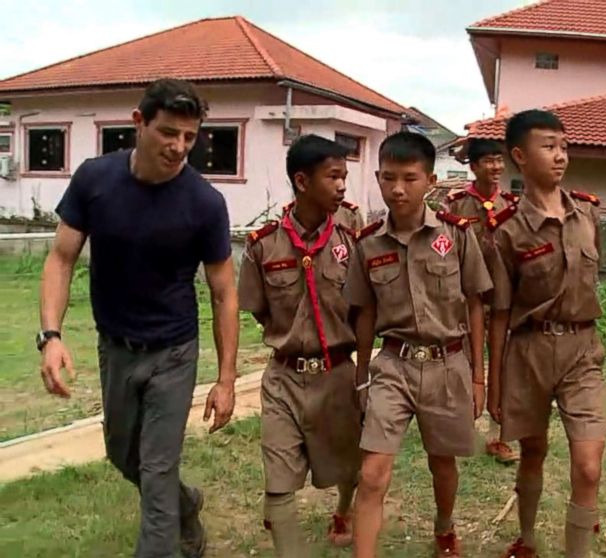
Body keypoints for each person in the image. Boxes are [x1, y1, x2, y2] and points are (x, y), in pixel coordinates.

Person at [38, 78, 238, 558]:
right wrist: (50, 335)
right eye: (168, 133)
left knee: (157, 470)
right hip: (117, 347)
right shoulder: (94, 179)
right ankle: (186, 505)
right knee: (122, 456)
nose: (179, 147)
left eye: (190, 138)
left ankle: (169, 535)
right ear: (138, 122)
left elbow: (224, 292)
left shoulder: (204, 203)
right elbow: (61, 258)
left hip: (173, 351)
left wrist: (227, 378)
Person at [346, 131, 493, 558]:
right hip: (393, 365)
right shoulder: (368, 243)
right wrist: (361, 378)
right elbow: (366, 314)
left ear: (430, 180)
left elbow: (476, 306)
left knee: (441, 462)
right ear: (377, 177)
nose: (397, 189)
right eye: (388, 178)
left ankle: (444, 528)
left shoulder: (457, 236)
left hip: (448, 364)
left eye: (409, 178)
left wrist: (479, 378)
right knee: (373, 473)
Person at [488, 109, 606, 558]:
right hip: (530, 349)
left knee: (588, 466)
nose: (560, 156)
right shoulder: (506, 231)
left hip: (582, 351)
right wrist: (493, 384)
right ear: (520, 156)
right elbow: (500, 313)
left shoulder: (588, 213)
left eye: (563, 146)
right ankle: (528, 538)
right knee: (533, 451)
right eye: (548, 146)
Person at [238, 135, 363, 556]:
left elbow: (365, 306)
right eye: (333, 176)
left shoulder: (353, 239)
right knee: (278, 482)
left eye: (345, 176)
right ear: (302, 181)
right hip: (284, 380)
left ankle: (343, 511)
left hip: (339, 374)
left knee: (351, 463)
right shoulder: (264, 244)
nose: (343, 185)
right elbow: (257, 309)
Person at [443, 137, 520, 464]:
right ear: (474, 167)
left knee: (503, 364)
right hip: (466, 297)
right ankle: (460, 427)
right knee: (465, 363)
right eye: (488, 161)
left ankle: (499, 435)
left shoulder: (511, 205)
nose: (496, 167)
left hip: (502, 298)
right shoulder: (457, 205)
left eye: (499, 161)